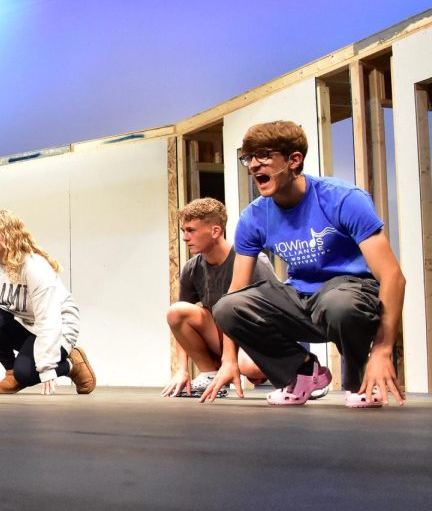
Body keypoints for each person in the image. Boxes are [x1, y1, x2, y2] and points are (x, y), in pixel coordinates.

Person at [208, 120, 406, 408]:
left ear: (294, 160)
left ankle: (360, 381)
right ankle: (302, 373)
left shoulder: (342, 199)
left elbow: (393, 276)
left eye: (263, 155)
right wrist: (229, 360)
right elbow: (236, 289)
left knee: (338, 303)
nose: (252, 165)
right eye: (248, 158)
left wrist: (383, 350)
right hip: (301, 299)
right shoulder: (254, 217)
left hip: (350, 297)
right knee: (227, 306)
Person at [0, 209, 95, 395]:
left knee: (27, 374)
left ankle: (72, 364)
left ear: (10, 235)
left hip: (59, 327)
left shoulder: (34, 266)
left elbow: (48, 318)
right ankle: (12, 371)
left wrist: (47, 367)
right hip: (25, 325)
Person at [162, 198, 286, 398]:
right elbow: (179, 322)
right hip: (223, 337)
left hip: (256, 335)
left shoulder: (252, 262)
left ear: (215, 231)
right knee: (176, 312)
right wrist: (181, 369)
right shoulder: (192, 269)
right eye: (183, 231)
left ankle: (297, 373)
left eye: (191, 230)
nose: (185, 237)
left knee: (249, 366)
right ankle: (210, 374)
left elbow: (281, 311)